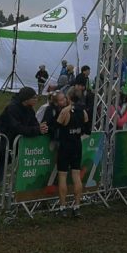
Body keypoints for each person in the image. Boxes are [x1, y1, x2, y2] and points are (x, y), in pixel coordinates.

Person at [0, 87, 49, 182]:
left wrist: (41, 128)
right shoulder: (12, 109)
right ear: (26, 99)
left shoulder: (29, 109)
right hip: (2, 142)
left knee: (3, 166)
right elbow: (17, 128)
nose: (36, 100)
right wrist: (36, 130)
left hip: (13, 144)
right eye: (34, 98)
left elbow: (34, 124)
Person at [55, 88, 89, 218]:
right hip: (77, 145)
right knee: (76, 176)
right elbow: (86, 127)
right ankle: (77, 206)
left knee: (62, 176)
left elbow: (57, 126)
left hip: (65, 146)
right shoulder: (83, 112)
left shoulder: (65, 111)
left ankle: (63, 207)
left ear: (68, 98)